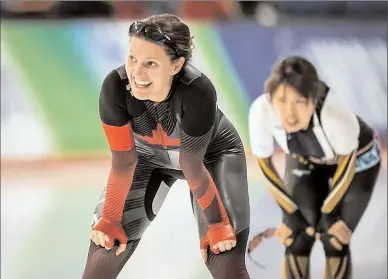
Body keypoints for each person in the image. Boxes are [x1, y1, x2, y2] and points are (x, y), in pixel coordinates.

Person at [81, 13, 251, 279]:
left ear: (176, 65)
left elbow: (191, 165)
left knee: (224, 260)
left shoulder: (198, 91)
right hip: (147, 159)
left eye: (150, 63)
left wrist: (217, 224)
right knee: (104, 252)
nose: (136, 73)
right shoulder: (114, 87)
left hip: (211, 157)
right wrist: (111, 218)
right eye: (132, 58)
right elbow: (123, 161)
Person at [247, 56, 381, 278]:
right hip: (307, 158)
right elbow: (265, 164)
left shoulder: (335, 114)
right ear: (271, 98)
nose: (289, 114)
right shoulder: (261, 111)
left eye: (299, 101)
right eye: (281, 101)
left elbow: (345, 167)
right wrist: (290, 214)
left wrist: (329, 213)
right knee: (296, 236)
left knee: (334, 237)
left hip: (357, 161)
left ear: (314, 99)